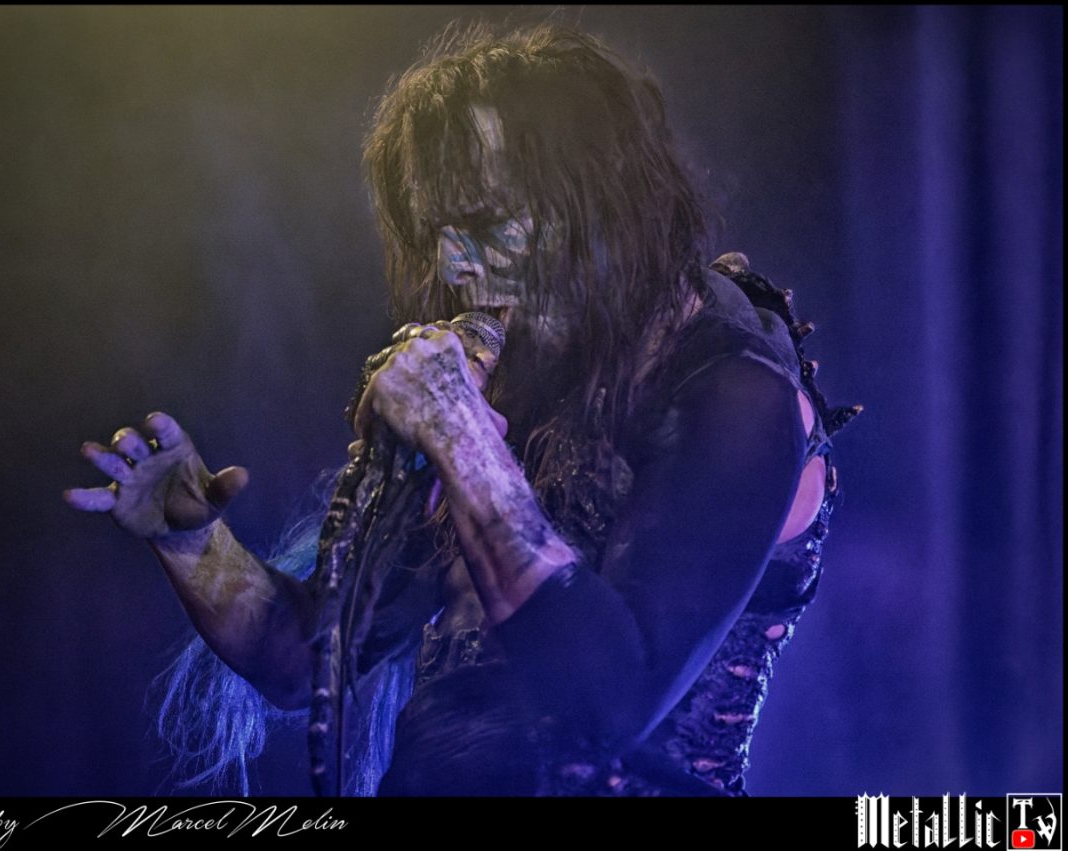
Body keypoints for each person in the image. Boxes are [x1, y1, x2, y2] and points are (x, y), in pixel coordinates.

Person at [65, 23, 857, 796]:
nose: (450, 264)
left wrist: (458, 432)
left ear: (600, 203)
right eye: (436, 232)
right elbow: (307, 660)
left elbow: (606, 706)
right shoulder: (522, 387)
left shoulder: (736, 394)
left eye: (482, 224)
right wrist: (191, 538)